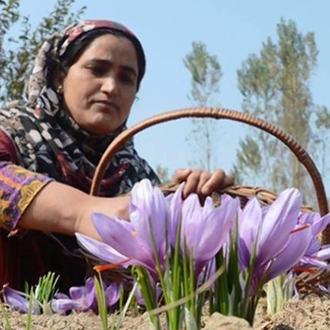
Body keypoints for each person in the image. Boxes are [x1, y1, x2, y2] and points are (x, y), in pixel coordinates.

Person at [0, 20, 234, 292]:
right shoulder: (15, 132)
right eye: (97, 70)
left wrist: (196, 205)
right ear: (59, 77)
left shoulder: (137, 175)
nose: (111, 87)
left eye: (126, 78)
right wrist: (85, 213)